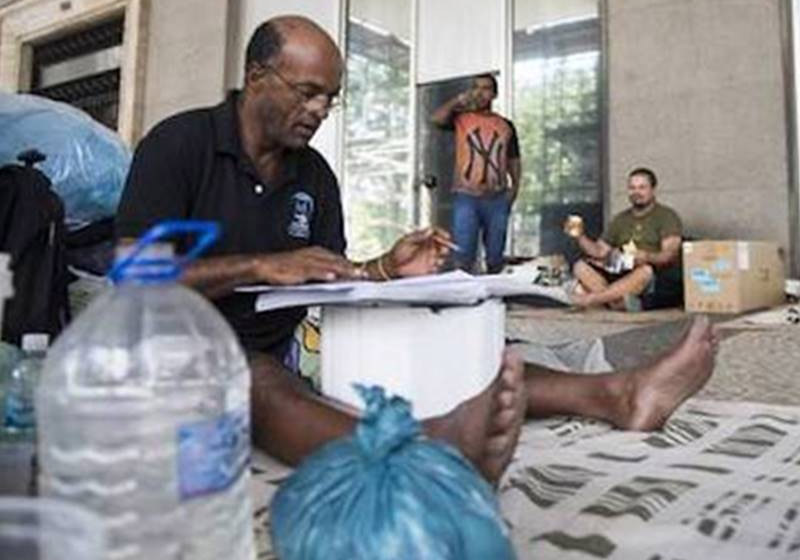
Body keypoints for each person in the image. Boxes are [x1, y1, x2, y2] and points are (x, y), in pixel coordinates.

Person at [116, 16, 717, 485]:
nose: (320, 110)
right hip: (184, 352)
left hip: (286, 346)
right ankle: (425, 452)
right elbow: (131, 272)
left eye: (332, 98)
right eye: (307, 93)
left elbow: (328, 274)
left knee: (458, 351)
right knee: (259, 378)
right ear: (255, 77)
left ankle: (619, 394)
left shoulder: (314, 175)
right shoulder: (181, 144)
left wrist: (382, 269)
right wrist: (257, 266)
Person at [431, 74, 521, 274]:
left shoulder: (505, 125)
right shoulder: (461, 118)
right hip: (466, 197)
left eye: (486, 88)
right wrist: (457, 101)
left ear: (494, 94)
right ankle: (463, 297)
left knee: (496, 256)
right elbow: (436, 118)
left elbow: (513, 159)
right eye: (476, 88)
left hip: (497, 198)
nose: (481, 93)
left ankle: (493, 298)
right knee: (463, 255)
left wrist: (515, 188)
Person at [566, 167, 684, 310]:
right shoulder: (620, 219)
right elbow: (599, 252)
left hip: (648, 274)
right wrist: (580, 236)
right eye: (632, 188)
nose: (636, 192)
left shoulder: (667, 216)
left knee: (645, 272)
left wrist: (646, 256)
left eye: (642, 188)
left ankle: (592, 299)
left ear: (653, 190)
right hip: (619, 271)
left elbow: (669, 255)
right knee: (580, 266)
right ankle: (616, 302)